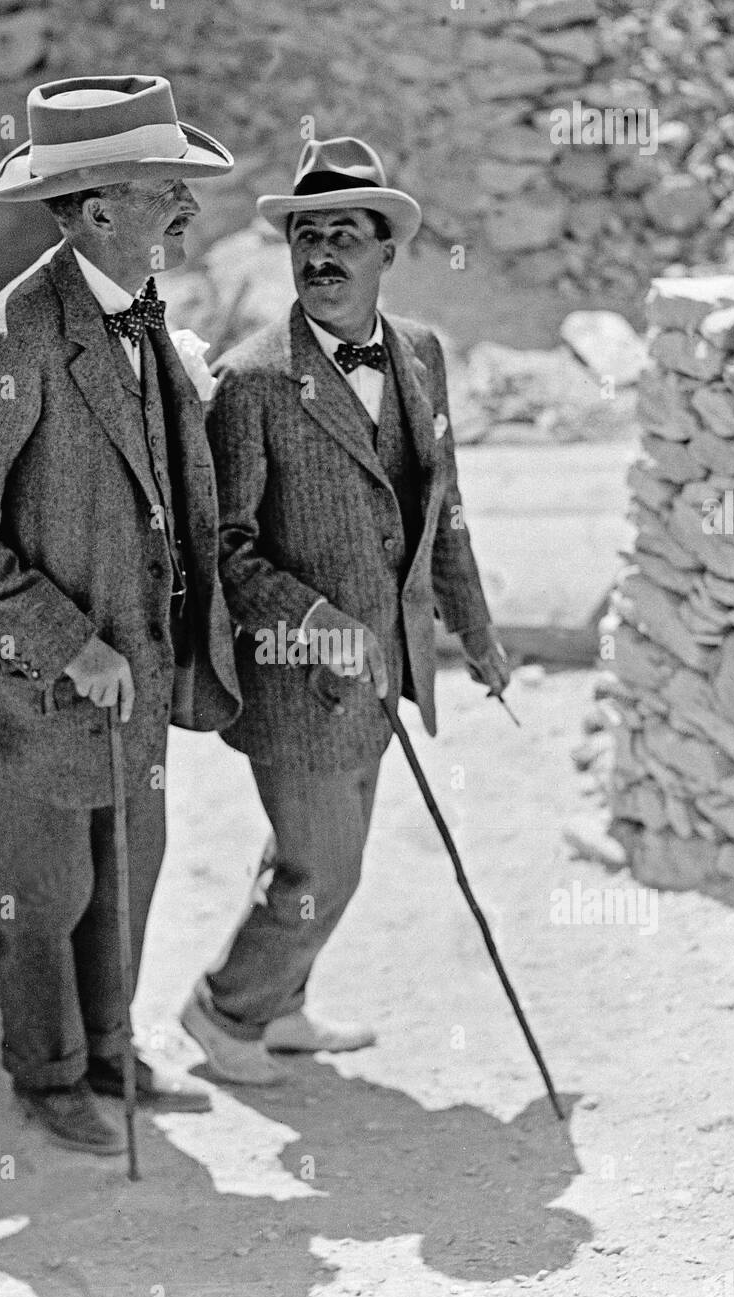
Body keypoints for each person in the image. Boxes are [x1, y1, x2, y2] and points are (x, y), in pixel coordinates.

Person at [0, 74, 241, 1153]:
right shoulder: (9, 343)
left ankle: (110, 1048)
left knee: (127, 881)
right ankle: (48, 1077)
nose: (188, 210)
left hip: (135, 686)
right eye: (167, 191)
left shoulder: (141, 318)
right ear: (99, 207)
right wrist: (70, 642)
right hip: (43, 691)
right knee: (45, 899)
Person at [181, 137, 510, 1085]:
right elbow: (225, 549)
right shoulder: (249, 382)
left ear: (385, 252)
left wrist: (474, 629)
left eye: (344, 237)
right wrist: (318, 621)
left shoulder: (420, 355)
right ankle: (222, 1010)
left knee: (308, 851)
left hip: (386, 668)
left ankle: (280, 1011)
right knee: (326, 872)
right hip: (297, 678)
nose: (322, 254)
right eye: (307, 236)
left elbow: (440, 503)